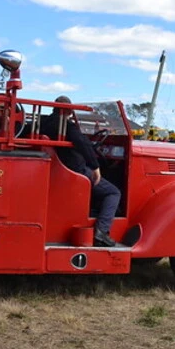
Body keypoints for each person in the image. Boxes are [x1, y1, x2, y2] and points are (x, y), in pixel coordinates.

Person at [41, 96, 121, 247]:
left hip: (58, 166)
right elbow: (82, 143)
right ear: (69, 111)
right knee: (113, 192)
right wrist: (95, 166)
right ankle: (102, 231)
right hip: (74, 169)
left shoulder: (44, 123)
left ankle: (95, 213)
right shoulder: (66, 126)